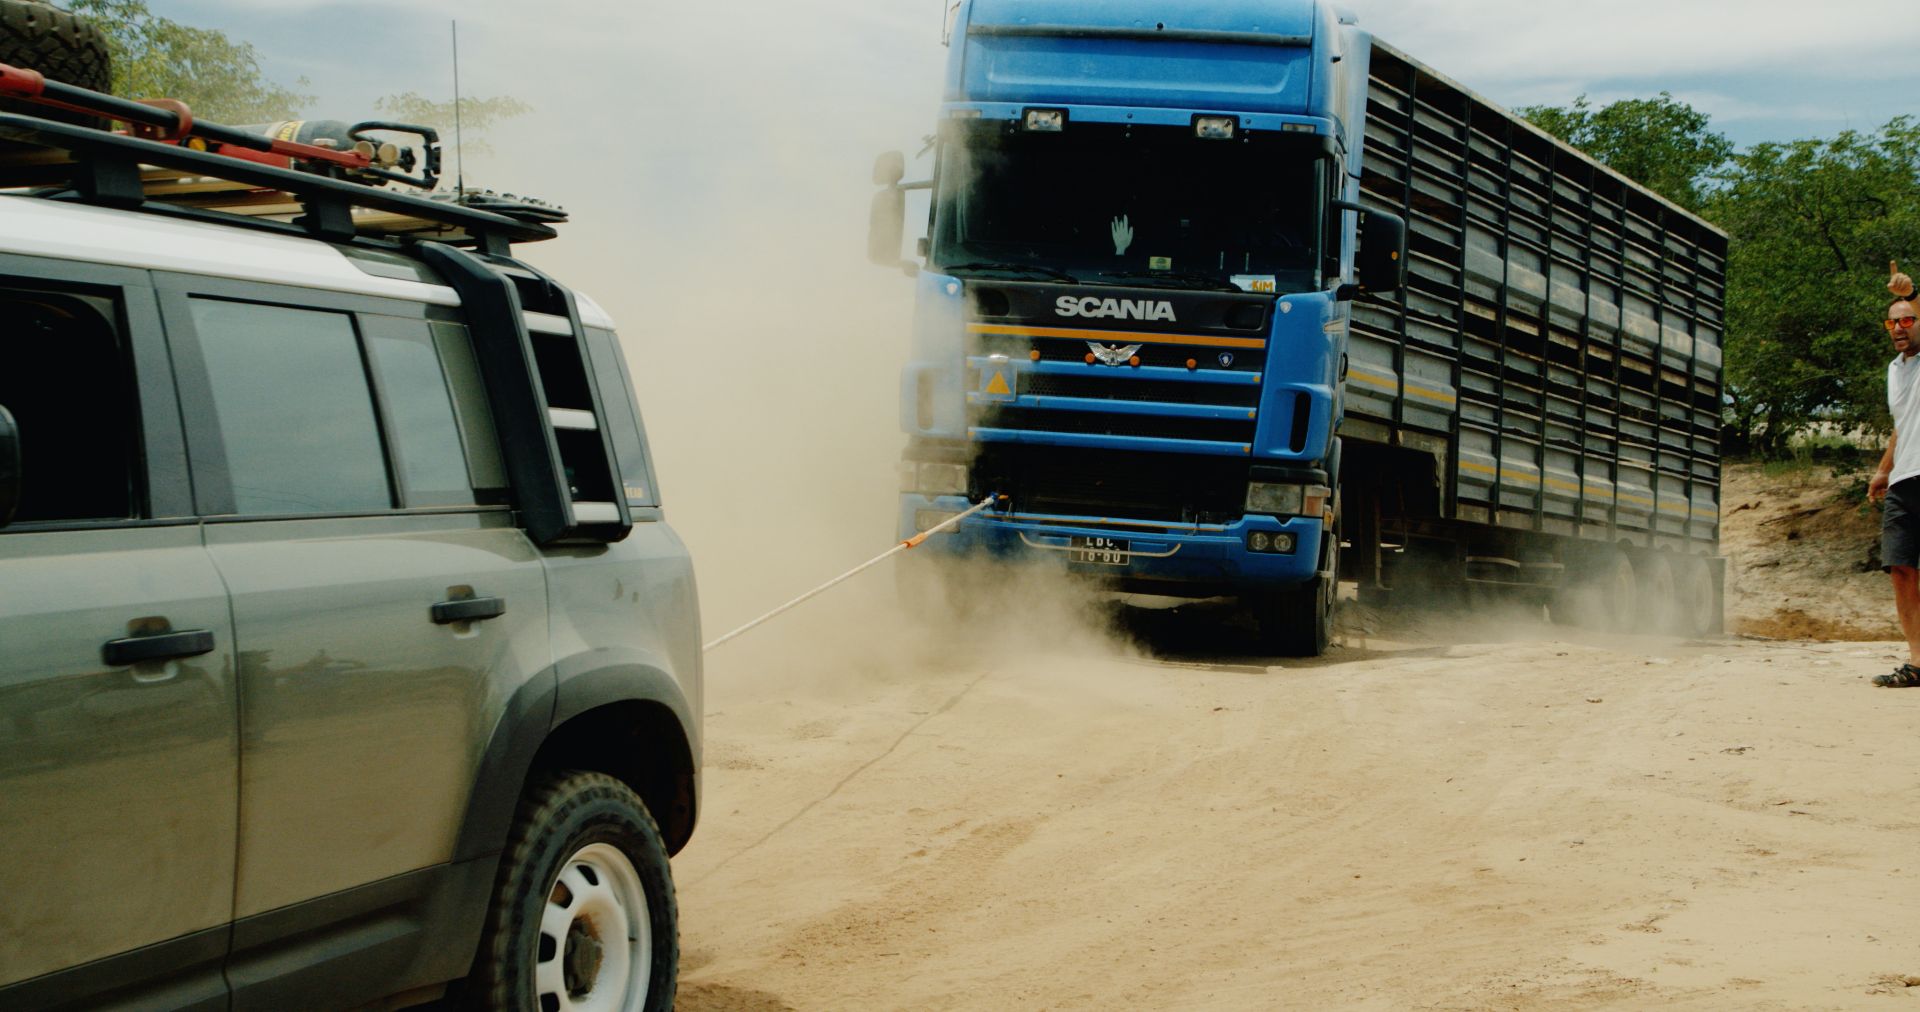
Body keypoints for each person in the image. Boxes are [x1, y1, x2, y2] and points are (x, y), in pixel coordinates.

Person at [1869, 262, 1920, 686]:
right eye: (1893, 321)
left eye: (1908, 319)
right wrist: (1883, 471)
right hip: (1905, 479)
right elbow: (1901, 426)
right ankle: (1918, 662)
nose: (1899, 327)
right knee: (1900, 568)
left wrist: (1912, 288)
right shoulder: (1894, 370)